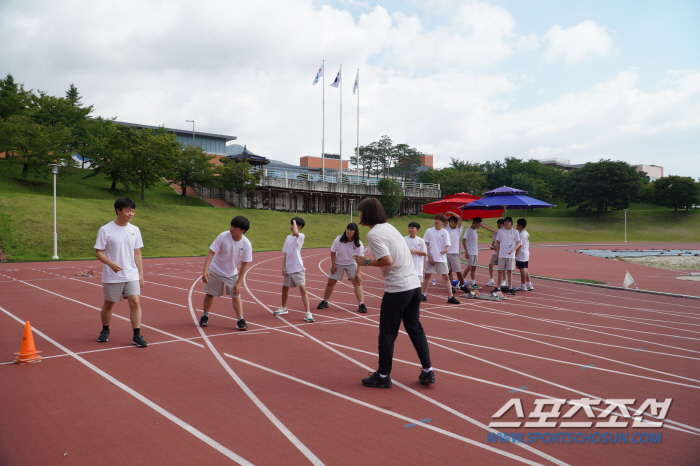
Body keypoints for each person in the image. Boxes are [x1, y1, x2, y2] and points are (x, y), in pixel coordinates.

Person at [353, 198, 434, 388]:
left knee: (387, 333)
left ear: (367, 213)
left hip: (398, 288)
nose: (359, 215)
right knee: (414, 328)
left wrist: (364, 262)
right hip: (414, 286)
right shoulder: (390, 227)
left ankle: (383, 376)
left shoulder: (374, 234)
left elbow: (387, 260)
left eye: (360, 211)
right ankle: (428, 371)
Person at [94, 197, 147, 347]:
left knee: (135, 301)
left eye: (133, 211)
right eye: (128, 210)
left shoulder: (135, 230)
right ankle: (105, 330)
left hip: (131, 274)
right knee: (109, 304)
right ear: (118, 211)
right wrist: (110, 264)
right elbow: (98, 252)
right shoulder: (105, 230)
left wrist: (141, 273)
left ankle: (137, 335)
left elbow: (137, 253)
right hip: (113, 275)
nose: (131, 214)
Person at [199, 216, 253, 329]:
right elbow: (211, 253)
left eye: (235, 227)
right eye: (231, 225)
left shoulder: (246, 244)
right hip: (215, 270)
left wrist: (239, 282)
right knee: (210, 293)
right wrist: (205, 271)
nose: (231, 228)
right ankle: (205, 316)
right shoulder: (223, 236)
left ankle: (240, 320)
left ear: (242, 230)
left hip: (231, 273)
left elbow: (244, 264)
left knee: (236, 295)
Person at [317, 223, 367, 313]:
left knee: (357, 282)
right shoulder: (339, 239)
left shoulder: (358, 243)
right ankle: (325, 301)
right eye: (347, 229)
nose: (348, 231)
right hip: (338, 262)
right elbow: (333, 251)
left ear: (355, 232)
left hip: (351, 263)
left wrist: (358, 272)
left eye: (351, 230)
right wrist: (333, 264)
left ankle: (361, 304)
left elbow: (360, 259)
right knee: (330, 282)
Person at [275, 217, 315, 322]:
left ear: (299, 227)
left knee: (303, 290)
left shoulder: (300, 236)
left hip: (297, 268)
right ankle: (283, 307)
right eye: (291, 224)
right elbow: (286, 253)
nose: (291, 226)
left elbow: (296, 233)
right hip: (289, 267)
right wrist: (283, 266)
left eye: (293, 224)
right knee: (285, 288)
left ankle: (308, 313)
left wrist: (294, 220)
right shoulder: (288, 238)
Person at [422, 214, 460, 304]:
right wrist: (429, 257)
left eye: (439, 220)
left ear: (443, 222)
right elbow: (426, 245)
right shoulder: (429, 231)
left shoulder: (445, 232)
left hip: (441, 258)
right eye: (435, 219)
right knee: (427, 276)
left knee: (446, 277)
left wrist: (446, 250)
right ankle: (423, 294)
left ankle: (450, 296)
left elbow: (447, 245)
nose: (436, 221)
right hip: (431, 257)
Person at [495, 217, 520, 295]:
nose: (506, 223)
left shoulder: (515, 232)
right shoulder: (500, 231)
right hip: (502, 254)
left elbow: (519, 243)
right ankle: (498, 287)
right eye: (505, 222)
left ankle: (510, 288)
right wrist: (497, 253)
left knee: (509, 271)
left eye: (508, 222)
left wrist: (514, 250)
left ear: (511, 223)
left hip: (510, 254)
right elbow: (498, 242)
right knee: (500, 271)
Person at [404, 222, 427, 301]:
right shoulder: (404, 239)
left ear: (417, 230)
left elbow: (424, 253)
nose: (410, 229)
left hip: (417, 265)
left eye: (412, 228)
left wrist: (416, 251)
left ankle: (417, 298)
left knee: (417, 283)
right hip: (407, 265)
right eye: (409, 228)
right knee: (407, 283)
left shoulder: (420, 241)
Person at [445, 211, 465, 293]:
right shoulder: (447, 229)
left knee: (458, 271)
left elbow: (459, 218)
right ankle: (450, 287)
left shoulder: (458, 230)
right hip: (446, 253)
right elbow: (443, 220)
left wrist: (452, 213)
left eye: (452, 222)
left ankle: (463, 285)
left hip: (454, 253)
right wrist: (447, 217)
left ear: (456, 223)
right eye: (449, 222)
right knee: (448, 271)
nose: (450, 224)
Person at [461, 217, 482, 290]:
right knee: (469, 266)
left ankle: (473, 283)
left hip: (475, 252)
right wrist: (466, 251)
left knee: (474, 268)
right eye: (479, 224)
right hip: (470, 251)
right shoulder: (468, 230)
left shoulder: (474, 230)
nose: (480, 226)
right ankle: (461, 281)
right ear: (475, 223)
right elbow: (463, 240)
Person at [515, 218, 533, 291]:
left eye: (517, 224)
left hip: (521, 253)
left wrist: (516, 255)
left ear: (521, 225)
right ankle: (529, 284)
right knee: (525, 268)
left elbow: (520, 245)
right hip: (526, 252)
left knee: (522, 269)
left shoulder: (521, 234)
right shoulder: (526, 233)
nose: (516, 226)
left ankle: (523, 285)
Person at [486, 219, 504, 287]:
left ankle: (504, 280)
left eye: (499, 224)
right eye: (498, 224)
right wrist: (492, 246)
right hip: (495, 252)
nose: (498, 225)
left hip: (501, 253)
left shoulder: (504, 233)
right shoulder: (496, 233)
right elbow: (493, 243)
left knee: (502, 267)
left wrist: (498, 248)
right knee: (491, 264)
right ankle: (491, 279)